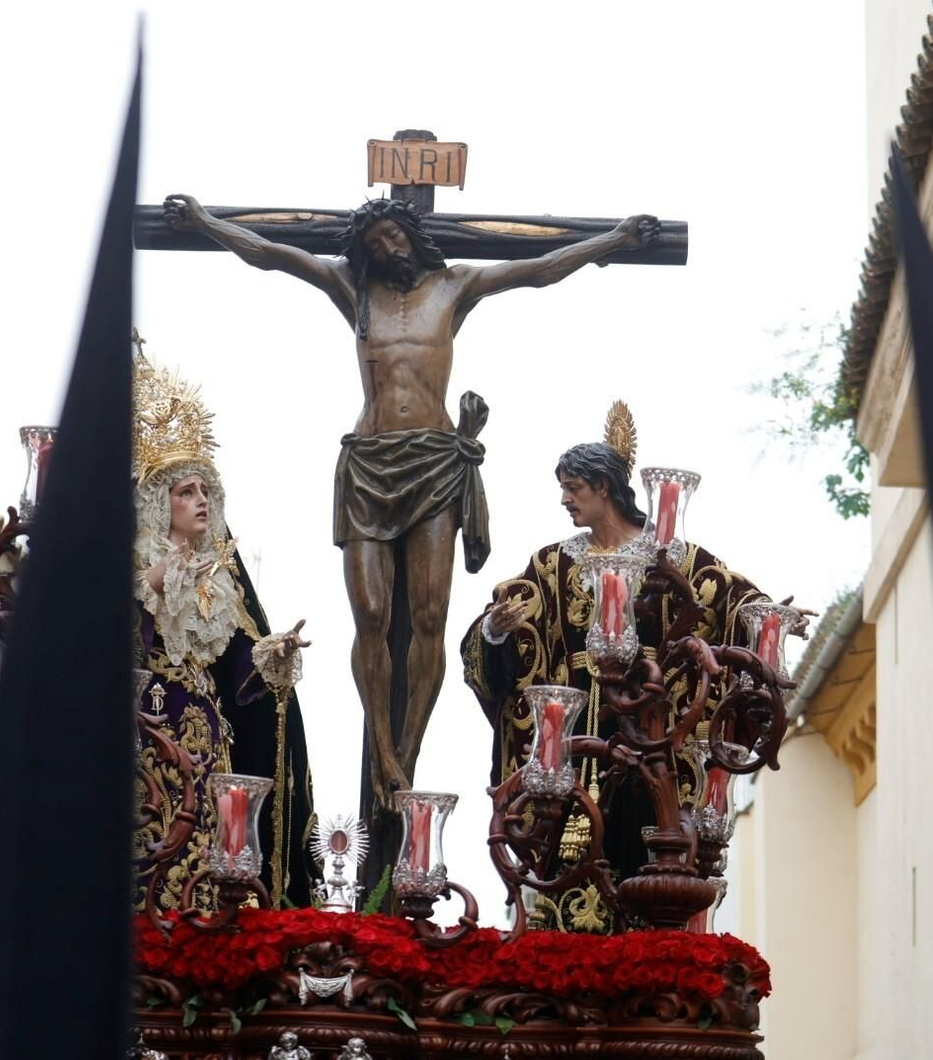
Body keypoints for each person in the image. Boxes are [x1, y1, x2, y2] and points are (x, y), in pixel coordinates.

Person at [163, 194, 660, 847]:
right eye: (375, 242)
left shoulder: (455, 285)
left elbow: (540, 268)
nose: (387, 249)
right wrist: (204, 224)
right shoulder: (354, 290)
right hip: (369, 462)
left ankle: (408, 751)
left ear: (414, 235)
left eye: (395, 236)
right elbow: (273, 255)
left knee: (428, 615)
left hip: (433, 464)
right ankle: (384, 751)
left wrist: (614, 239)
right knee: (369, 613)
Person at [459, 407, 786, 933]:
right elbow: (497, 637)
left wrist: (769, 626)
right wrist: (495, 631)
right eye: (563, 489)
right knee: (566, 866)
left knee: (653, 850)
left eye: (573, 488)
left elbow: (732, 601)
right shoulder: (551, 565)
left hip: (655, 733)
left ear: (605, 487)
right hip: (575, 737)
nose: (564, 500)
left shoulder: (674, 557)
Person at [131, 345, 316, 914]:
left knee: (207, 876)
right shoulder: (134, 565)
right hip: (144, 737)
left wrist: (269, 656)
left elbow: (235, 666)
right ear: (161, 505)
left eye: (205, 491)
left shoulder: (220, 583)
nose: (201, 501)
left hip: (208, 747)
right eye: (186, 492)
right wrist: (161, 580)